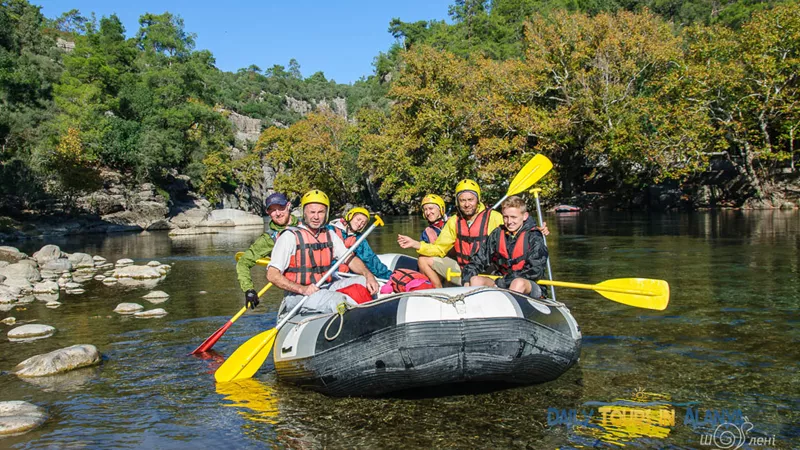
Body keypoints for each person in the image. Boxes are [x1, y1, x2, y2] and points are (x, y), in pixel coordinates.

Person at [398, 180, 549, 288]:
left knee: (514, 282)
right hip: (467, 270)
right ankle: (440, 293)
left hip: (495, 273)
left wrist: (536, 228)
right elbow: (440, 249)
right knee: (424, 259)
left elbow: (519, 223)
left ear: (477, 199)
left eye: (470, 199)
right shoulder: (454, 221)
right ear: (458, 202)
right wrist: (416, 244)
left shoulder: (495, 218)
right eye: (462, 200)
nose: (466, 204)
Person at [267, 190, 380, 315]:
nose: (316, 217)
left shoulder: (329, 234)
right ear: (304, 212)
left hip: (326, 286)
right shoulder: (289, 237)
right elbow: (272, 275)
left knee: (363, 282)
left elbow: (350, 259)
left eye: (320, 212)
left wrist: (368, 275)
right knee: (337, 300)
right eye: (312, 212)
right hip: (298, 295)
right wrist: (302, 289)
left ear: (326, 213)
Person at [461, 196, 548, 297]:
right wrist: (467, 279)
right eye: (505, 217)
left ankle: (511, 311)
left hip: (529, 284)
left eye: (513, 217)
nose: (509, 221)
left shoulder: (534, 236)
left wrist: (503, 282)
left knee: (517, 283)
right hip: (501, 281)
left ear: (525, 216)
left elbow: (534, 271)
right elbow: (478, 260)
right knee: (475, 280)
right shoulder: (497, 234)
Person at [237, 192, 298, 310]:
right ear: (268, 213)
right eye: (273, 210)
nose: (278, 213)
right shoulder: (268, 239)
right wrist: (249, 289)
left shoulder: (308, 224)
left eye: (281, 208)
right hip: (295, 290)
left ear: (288, 206)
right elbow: (243, 263)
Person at [328, 207, 393, 280]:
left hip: (345, 274)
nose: (359, 224)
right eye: (358, 219)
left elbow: (369, 259)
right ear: (350, 216)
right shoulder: (329, 230)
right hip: (327, 272)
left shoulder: (358, 238)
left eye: (363, 223)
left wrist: (389, 277)